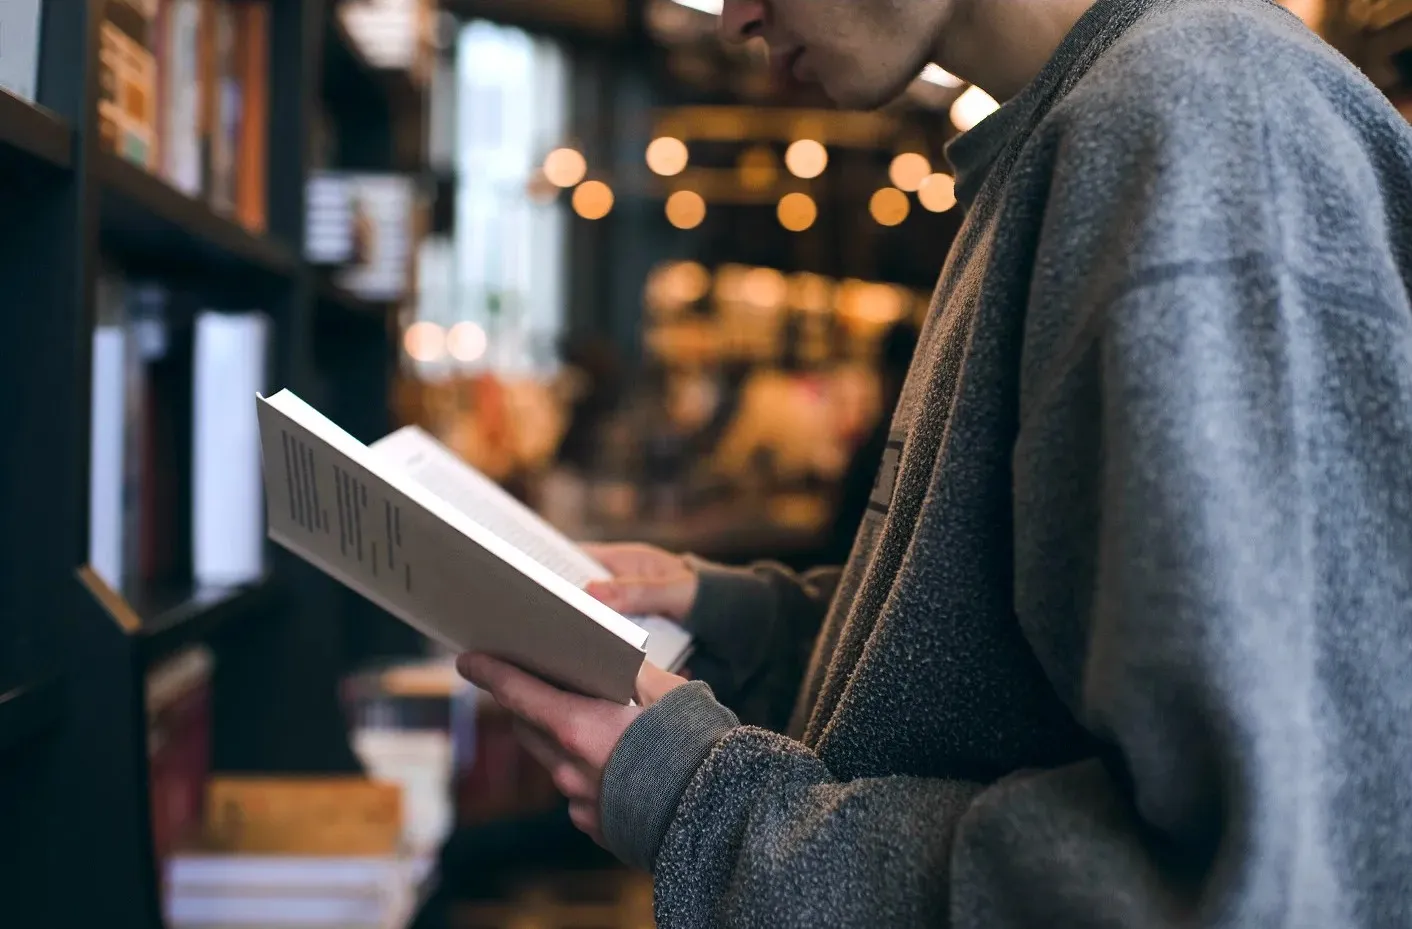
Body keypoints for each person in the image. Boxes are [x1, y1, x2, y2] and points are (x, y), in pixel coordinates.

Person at [458, 0, 1412, 925]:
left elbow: (1246, 880)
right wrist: (746, 628)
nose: (732, 19)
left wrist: (705, 807)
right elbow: (1028, 678)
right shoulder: (1089, 129)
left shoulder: (1199, 126)